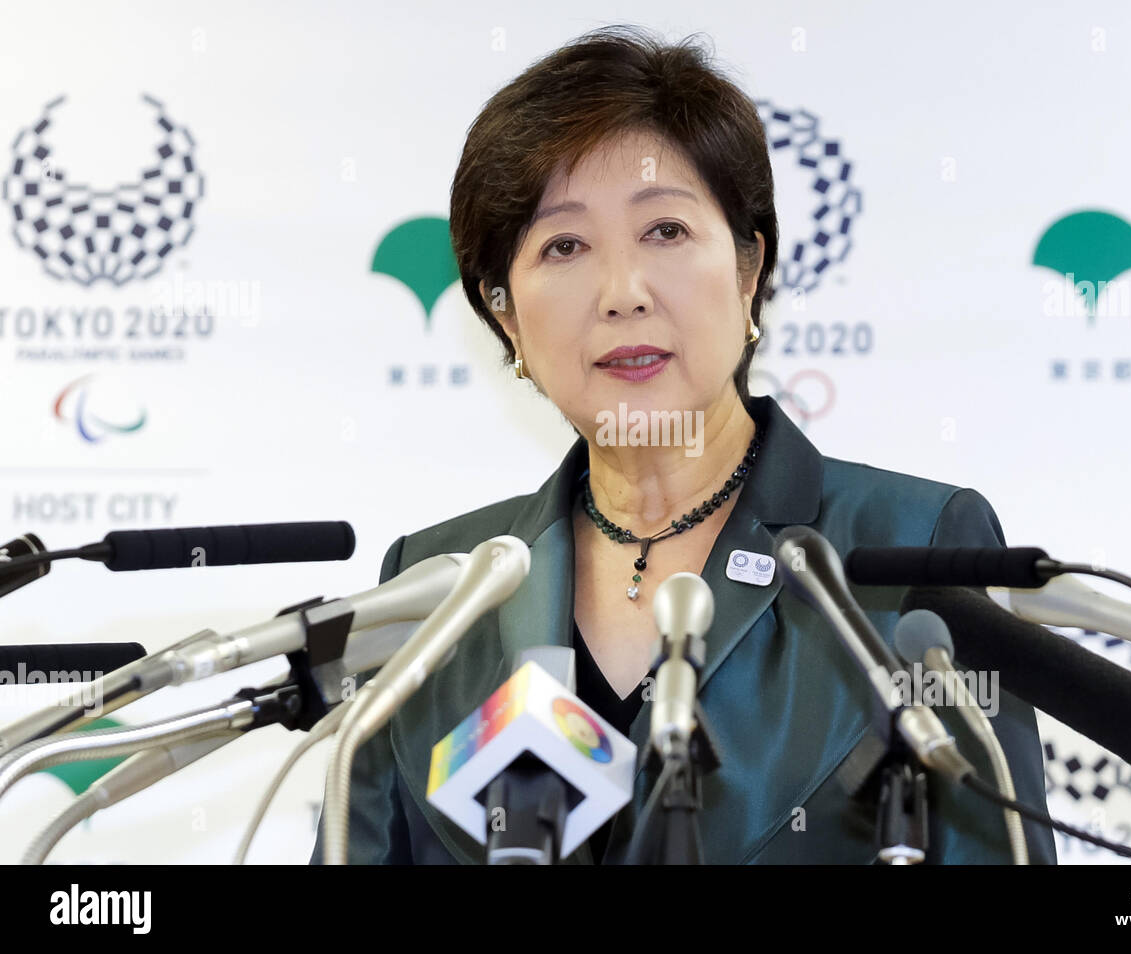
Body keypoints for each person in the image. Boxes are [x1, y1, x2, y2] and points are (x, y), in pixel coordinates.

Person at [311, 25, 1055, 865]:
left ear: (747, 270)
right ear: (506, 317)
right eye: (563, 245)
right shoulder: (439, 590)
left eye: (664, 231)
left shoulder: (912, 547)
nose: (622, 293)